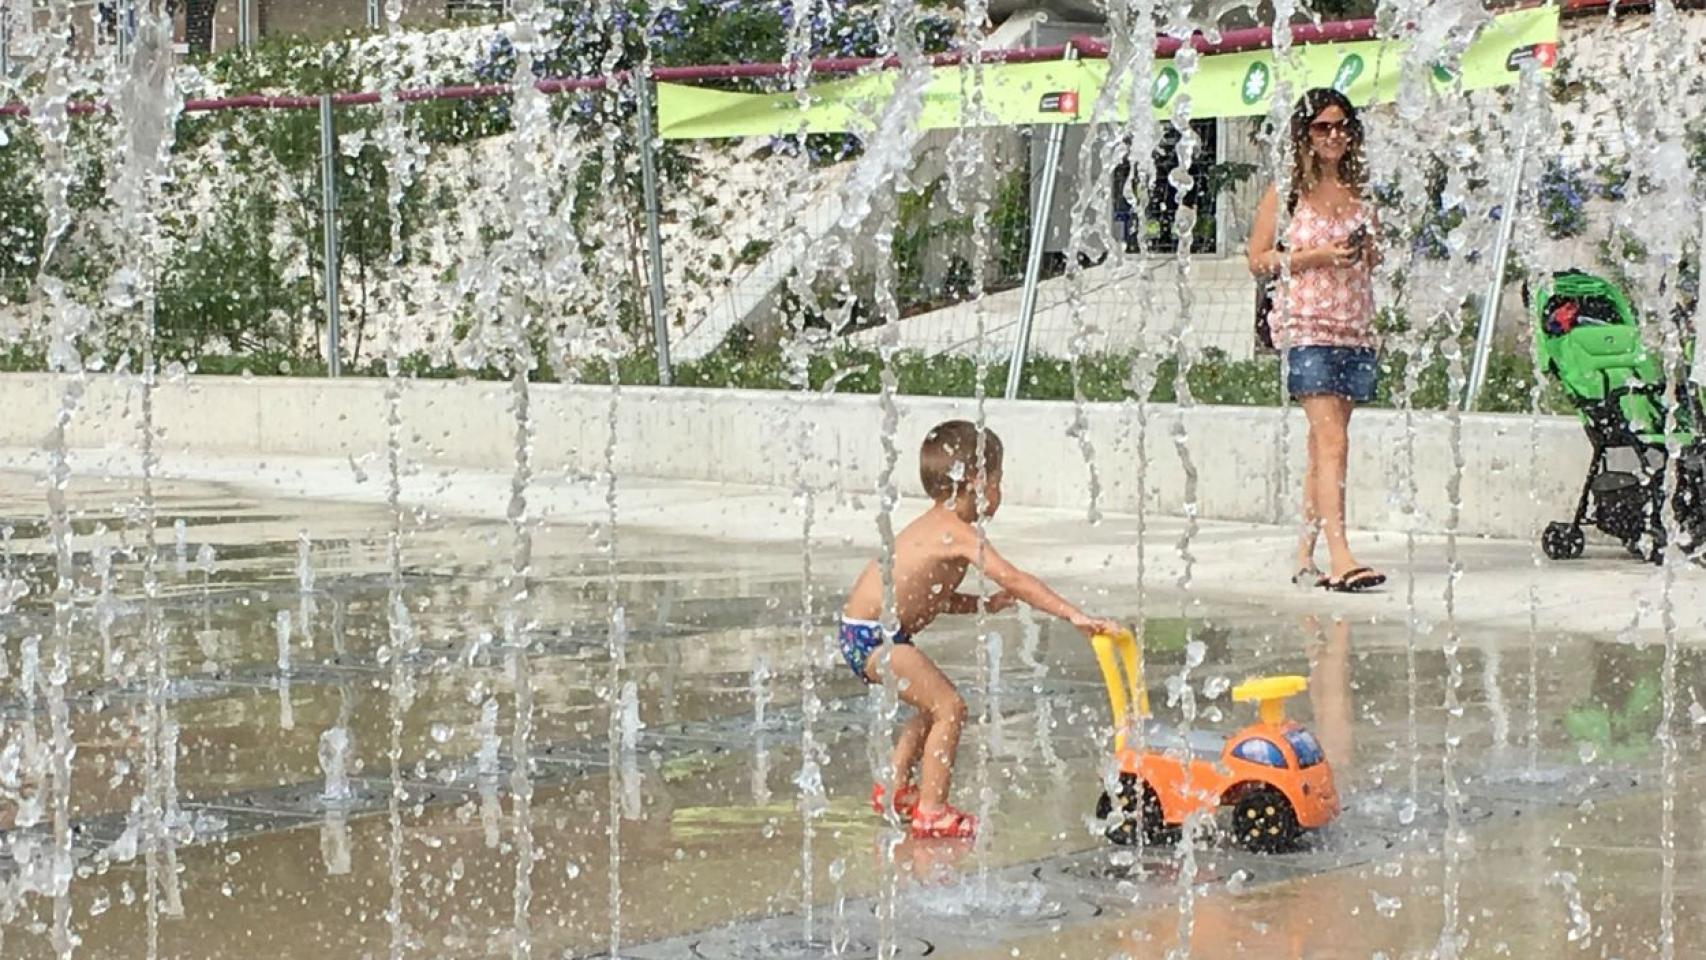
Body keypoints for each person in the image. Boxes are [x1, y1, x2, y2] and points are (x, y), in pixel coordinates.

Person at [840, 420, 1122, 839]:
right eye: (999, 481)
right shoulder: (955, 533)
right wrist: (1073, 615)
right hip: (873, 638)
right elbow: (1015, 577)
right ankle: (931, 810)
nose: (1000, 492)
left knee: (929, 707)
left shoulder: (934, 528)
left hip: (868, 634)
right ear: (976, 481)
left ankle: (893, 790)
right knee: (950, 708)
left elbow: (930, 594)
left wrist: (983, 605)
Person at [1248, 87, 1387, 593]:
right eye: (1322, 127)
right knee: (1333, 441)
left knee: (1321, 448)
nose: (1334, 136)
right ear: (1304, 134)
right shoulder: (1285, 192)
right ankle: (1341, 555)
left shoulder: (1359, 193)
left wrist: (1364, 251)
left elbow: (1376, 257)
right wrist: (1317, 256)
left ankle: (1305, 553)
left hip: (1354, 326)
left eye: (1342, 126)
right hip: (1305, 326)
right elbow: (1258, 259)